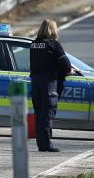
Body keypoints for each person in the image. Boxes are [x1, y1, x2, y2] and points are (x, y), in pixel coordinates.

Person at [29, 19, 74, 152]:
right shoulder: (54, 45)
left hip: (36, 82)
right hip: (48, 83)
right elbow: (65, 65)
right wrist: (69, 71)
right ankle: (46, 144)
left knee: (39, 113)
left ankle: (41, 143)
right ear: (53, 30)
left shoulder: (34, 45)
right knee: (47, 113)